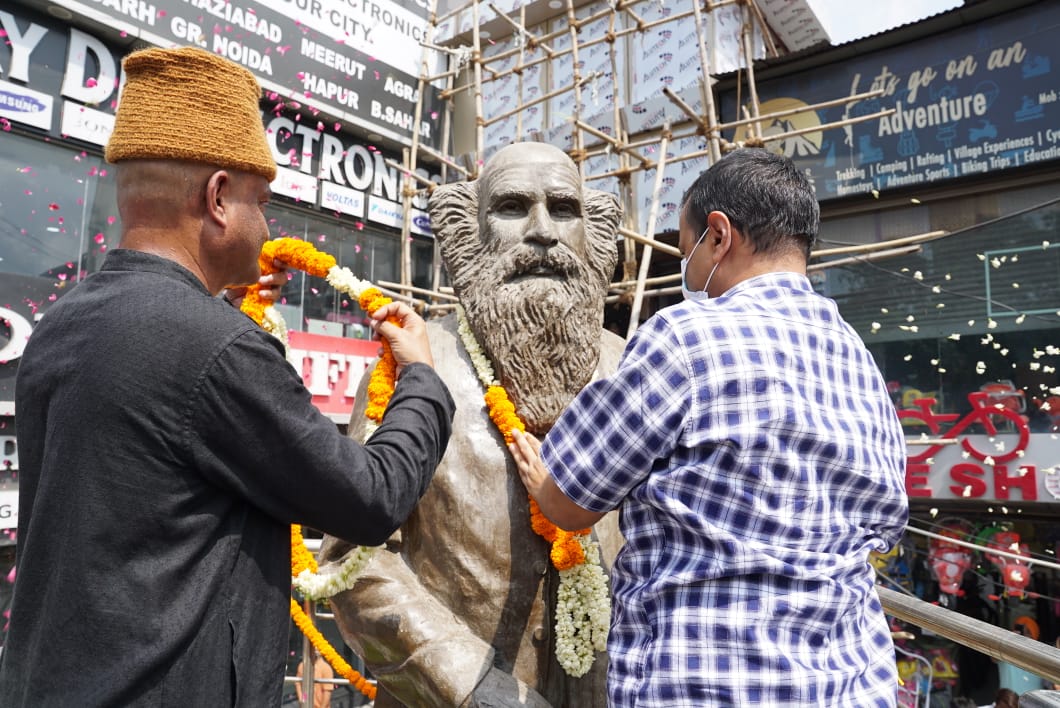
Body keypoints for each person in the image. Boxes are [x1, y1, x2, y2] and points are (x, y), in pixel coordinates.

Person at [0, 46, 455, 707]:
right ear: (218, 197)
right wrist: (421, 379)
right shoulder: (215, 348)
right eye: (261, 202)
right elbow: (371, 496)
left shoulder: (63, 324)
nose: (268, 225)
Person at [509, 148, 910, 706]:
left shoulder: (685, 336)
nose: (687, 268)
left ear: (718, 236)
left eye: (685, 249)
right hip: (851, 680)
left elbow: (573, 503)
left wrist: (541, 483)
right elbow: (885, 519)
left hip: (707, 682)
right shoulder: (858, 357)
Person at [318, 141, 625, 706]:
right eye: (512, 207)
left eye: (564, 209)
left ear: (597, 233)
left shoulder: (630, 368)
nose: (542, 231)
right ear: (467, 232)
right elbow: (352, 558)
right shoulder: (415, 371)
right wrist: (472, 685)